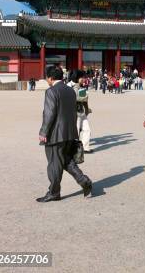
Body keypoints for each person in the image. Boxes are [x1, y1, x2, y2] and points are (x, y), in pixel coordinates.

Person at [36, 66, 92, 202]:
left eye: (46, 78)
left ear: (50, 78)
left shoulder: (51, 91)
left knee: (54, 163)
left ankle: (54, 192)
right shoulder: (70, 91)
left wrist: (43, 132)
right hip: (69, 132)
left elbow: (49, 113)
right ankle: (84, 181)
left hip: (55, 134)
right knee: (66, 160)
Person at [72, 70, 94, 154]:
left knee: (87, 129)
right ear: (77, 78)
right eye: (82, 78)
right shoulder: (73, 87)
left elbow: (84, 101)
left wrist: (87, 109)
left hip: (82, 112)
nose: (84, 79)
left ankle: (85, 147)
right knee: (76, 131)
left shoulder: (81, 87)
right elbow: (77, 98)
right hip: (76, 112)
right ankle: (74, 148)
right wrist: (85, 96)